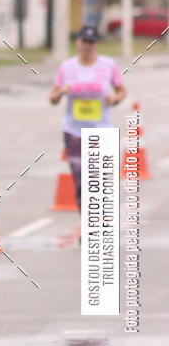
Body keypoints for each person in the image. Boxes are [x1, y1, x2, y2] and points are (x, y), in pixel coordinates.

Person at [49, 24, 126, 211]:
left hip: (101, 130)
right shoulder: (67, 67)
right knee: (81, 179)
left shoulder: (108, 65)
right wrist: (61, 92)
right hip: (74, 132)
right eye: (84, 41)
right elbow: (52, 98)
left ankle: (101, 221)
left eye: (91, 42)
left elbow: (121, 91)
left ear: (96, 44)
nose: (87, 45)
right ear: (78, 42)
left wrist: (114, 99)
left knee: (101, 181)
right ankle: (87, 221)